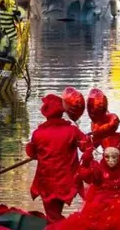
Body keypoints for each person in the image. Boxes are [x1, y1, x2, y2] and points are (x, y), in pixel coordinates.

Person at [25, 92, 87, 221]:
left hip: (46, 181)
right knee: (54, 214)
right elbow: (86, 146)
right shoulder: (72, 131)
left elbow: (32, 153)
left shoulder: (38, 134)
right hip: (66, 182)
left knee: (52, 215)